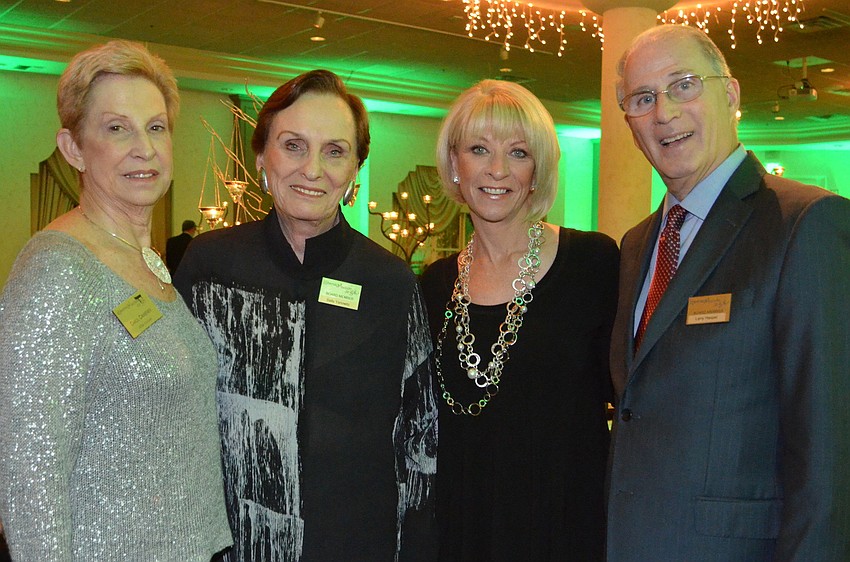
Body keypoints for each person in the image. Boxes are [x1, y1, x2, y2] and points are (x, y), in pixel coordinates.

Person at [607, 24, 850, 561]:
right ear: (630, 124)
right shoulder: (637, 244)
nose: (664, 113)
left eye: (684, 85)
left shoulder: (806, 224)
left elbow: (829, 456)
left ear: (732, 95)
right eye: (642, 99)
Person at [174, 69, 438, 561]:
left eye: (334, 151)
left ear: (356, 168)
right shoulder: (210, 267)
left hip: (356, 545)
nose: (312, 169)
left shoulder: (390, 283)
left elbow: (420, 445)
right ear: (262, 156)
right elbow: (174, 423)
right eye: (293, 145)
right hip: (232, 544)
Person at [0, 40, 232, 561]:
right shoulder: (58, 268)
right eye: (116, 128)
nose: (144, 149)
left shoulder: (147, 261)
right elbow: (30, 476)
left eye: (156, 127)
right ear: (73, 148)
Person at [420, 80, 618, 561]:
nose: (497, 169)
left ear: (537, 171)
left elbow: (634, 402)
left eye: (518, 153)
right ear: (454, 164)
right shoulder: (433, 286)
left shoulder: (593, 263)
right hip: (461, 532)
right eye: (479, 149)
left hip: (565, 533)